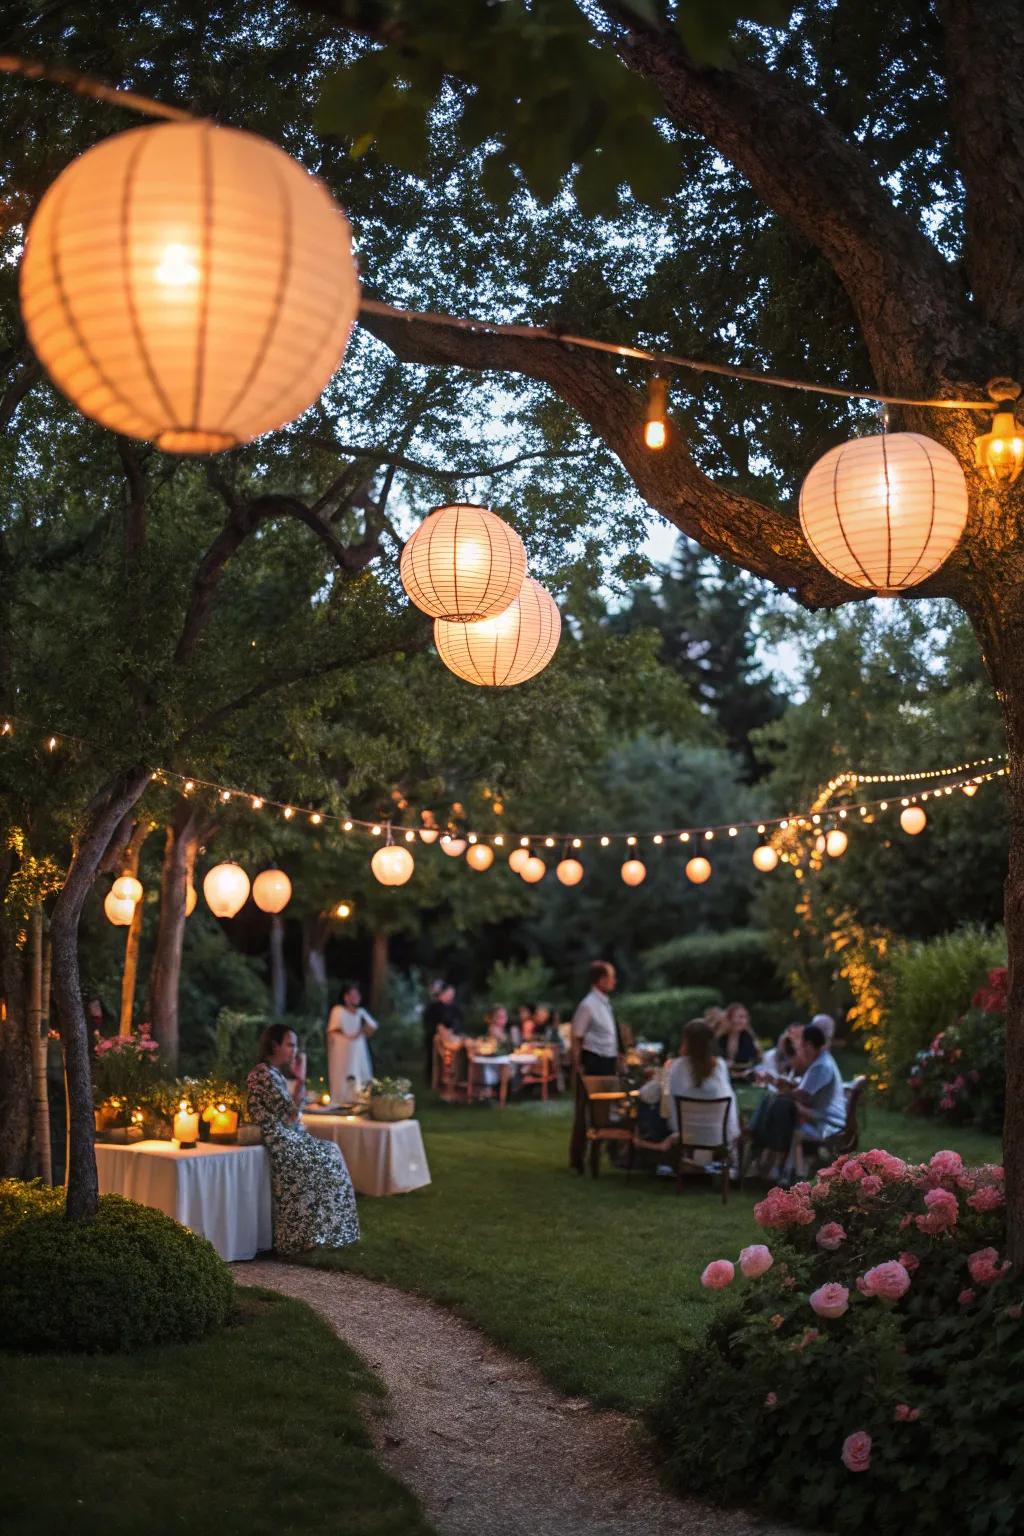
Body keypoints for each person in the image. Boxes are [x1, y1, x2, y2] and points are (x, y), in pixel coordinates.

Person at [246, 1024, 359, 1254]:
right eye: (290, 1044)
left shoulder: (274, 1073)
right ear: (274, 1045)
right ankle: (299, 1236)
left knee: (331, 1152)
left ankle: (326, 1231)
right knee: (325, 1156)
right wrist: (300, 1079)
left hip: (289, 1134)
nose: (294, 1050)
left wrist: (298, 1085)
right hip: (277, 1137)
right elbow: (290, 1113)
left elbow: (293, 1114)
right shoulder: (262, 1074)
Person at [748, 1021, 846, 1182]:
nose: (800, 1050)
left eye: (801, 1045)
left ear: (808, 1045)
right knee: (775, 1100)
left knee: (779, 1104)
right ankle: (770, 1159)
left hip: (825, 1121)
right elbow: (802, 1089)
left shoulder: (821, 1066)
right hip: (819, 1115)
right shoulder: (822, 1061)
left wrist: (781, 1087)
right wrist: (778, 1083)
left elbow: (802, 1096)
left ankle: (773, 1159)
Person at [569, 960, 624, 1172]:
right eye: (611, 976)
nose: (614, 981)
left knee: (606, 1112)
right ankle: (578, 1160)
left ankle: (605, 1156)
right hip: (593, 1062)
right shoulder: (588, 1005)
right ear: (601, 979)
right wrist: (578, 1067)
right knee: (584, 1113)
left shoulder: (605, 1004)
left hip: (607, 1062)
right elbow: (577, 1038)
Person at [665, 1018, 740, 1165]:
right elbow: (729, 1101)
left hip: (686, 1133)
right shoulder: (720, 1066)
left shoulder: (678, 1067)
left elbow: (671, 1104)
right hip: (718, 1135)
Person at [326, 982, 378, 1103]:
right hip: (342, 1049)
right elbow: (332, 1030)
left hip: (358, 1049)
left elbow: (373, 1026)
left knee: (359, 1073)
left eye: (357, 994)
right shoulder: (338, 1010)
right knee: (343, 1073)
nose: (356, 997)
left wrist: (361, 1032)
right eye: (353, 995)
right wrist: (348, 1037)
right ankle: (341, 1099)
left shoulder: (361, 1012)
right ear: (346, 997)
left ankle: (359, 1098)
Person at [422, 981, 463, 1079]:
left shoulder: (455, 1008)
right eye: (449, 994)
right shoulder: (433, 1007)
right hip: (434, 1037)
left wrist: (453, 1030)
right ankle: (432, 1077)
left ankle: (450, 1076)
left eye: (452, 994)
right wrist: (438, 1029)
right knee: (433, 1059)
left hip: (452, 1038)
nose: (451, 996)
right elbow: (429, 1022)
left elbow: (459, 1022)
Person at [716, 1002, 763, 1072]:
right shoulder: (720, 1037)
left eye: (745, 1017)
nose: (743, 1021)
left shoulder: (749, 1036)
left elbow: (758, 1059)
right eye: (740, 1017)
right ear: (728, 1018)